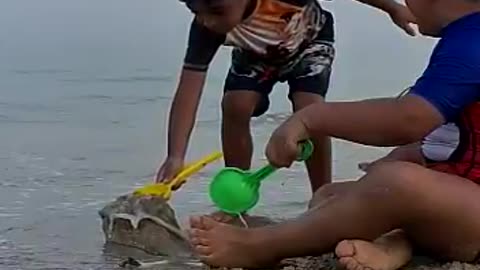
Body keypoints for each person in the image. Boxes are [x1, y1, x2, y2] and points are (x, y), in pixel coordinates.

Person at [187, 0, 480, 269]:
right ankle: (395, 245)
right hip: (464, 204)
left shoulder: (471, 42)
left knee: (397, 184)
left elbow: (408, 119)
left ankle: (260, 245)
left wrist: (310, 119)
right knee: (331, 196)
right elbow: (454, 138)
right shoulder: (463, 39)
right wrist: (404, 157)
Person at [155, 0, 416, 220]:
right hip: (257, 54)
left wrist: (392, 7)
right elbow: (188, 89)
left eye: (216, 11)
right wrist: (175, 155)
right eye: (195, 11)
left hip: (309, 42)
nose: (207, 21)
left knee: (310, 110)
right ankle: (237, 201)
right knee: (236, 105)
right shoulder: (206, 28)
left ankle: (322, 196)